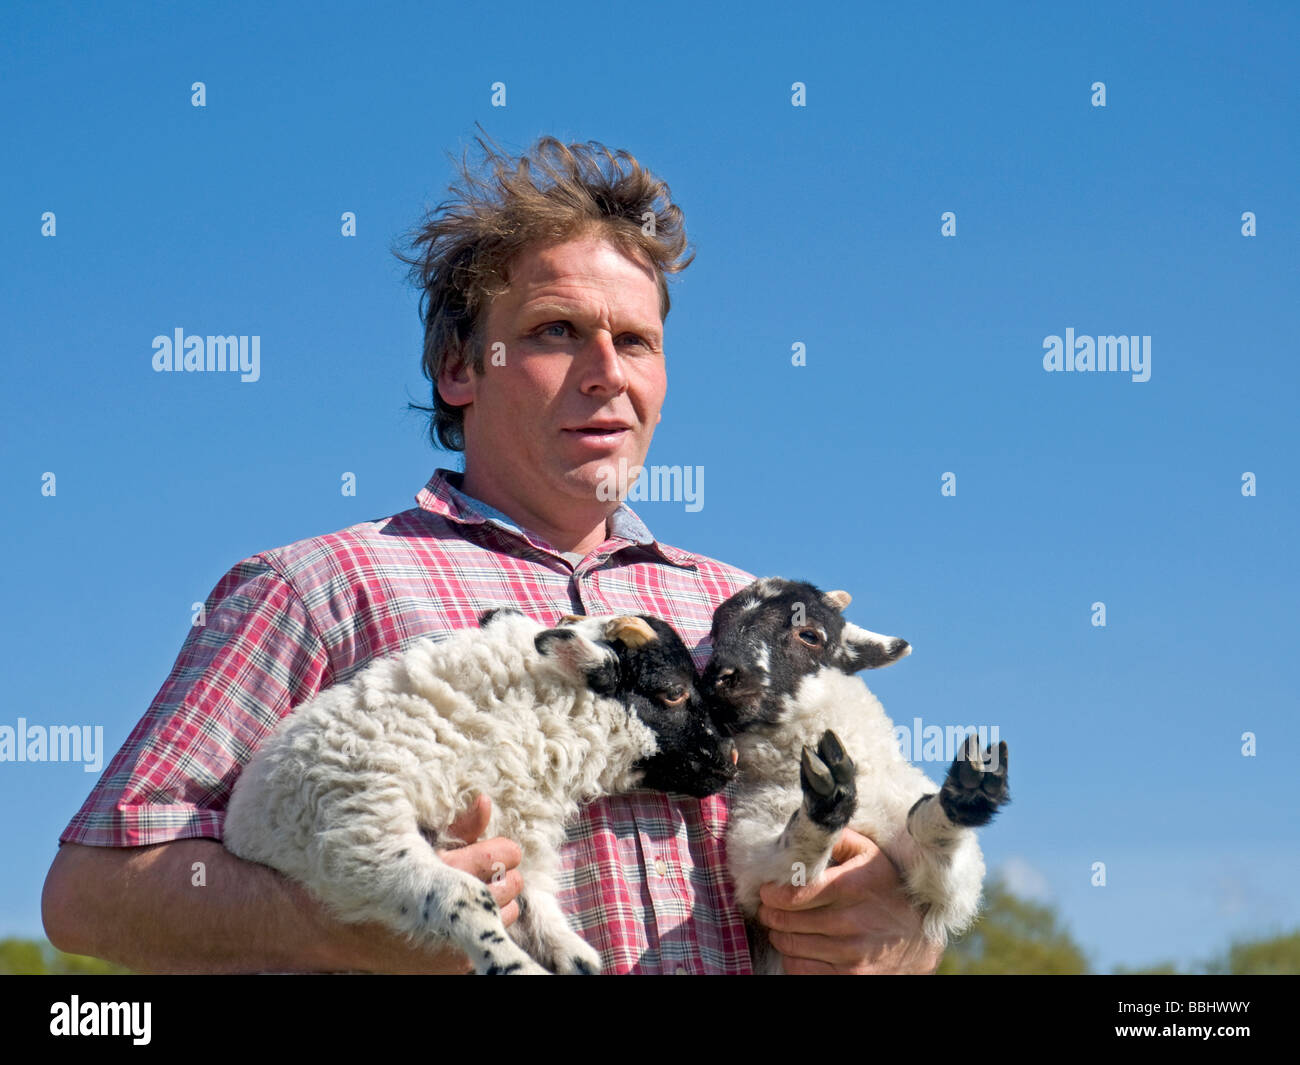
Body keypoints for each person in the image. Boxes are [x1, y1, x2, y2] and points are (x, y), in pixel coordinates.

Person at [41, 133, 944, 975]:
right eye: (557, 331)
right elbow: (92, 892)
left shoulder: (747, 614)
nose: (608, 372)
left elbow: (879, 893)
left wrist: (897, 931)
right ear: (457, 367)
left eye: (636, 341)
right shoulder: (318, 590)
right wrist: (369, 925)